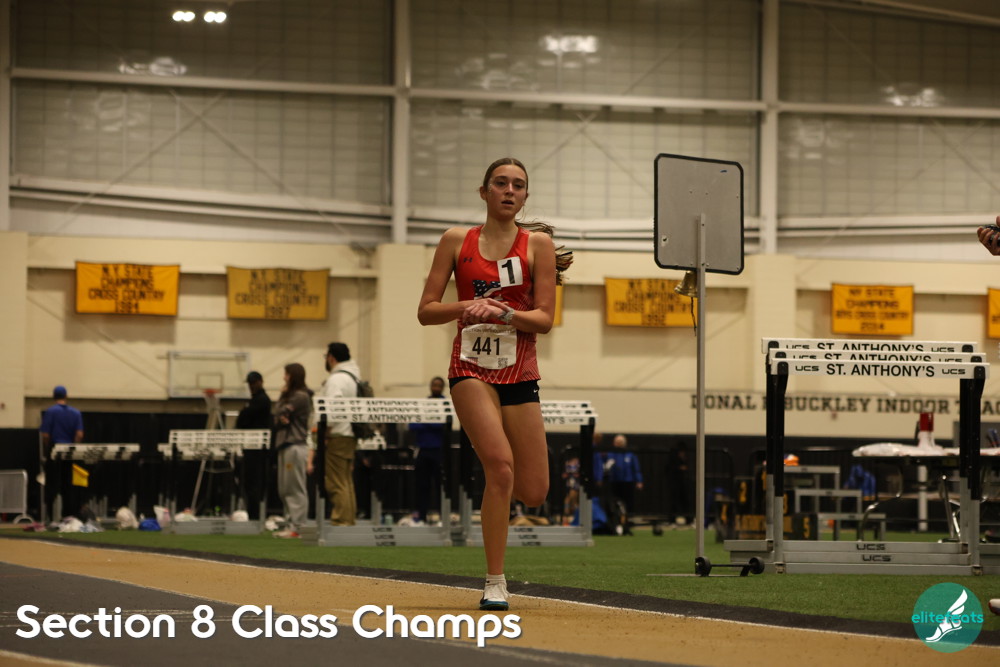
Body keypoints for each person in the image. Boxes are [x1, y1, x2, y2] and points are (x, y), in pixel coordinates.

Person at [417, 157, 572, 611]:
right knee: (500, 467)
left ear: (525, 196)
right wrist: (468, 306)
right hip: (470, 367)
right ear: (483, 192)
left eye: (518, 185)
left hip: (519, 371)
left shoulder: (538, 245)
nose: (509, 190)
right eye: (500, 183)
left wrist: (505, 313)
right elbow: (427, 310)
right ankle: (495, 581)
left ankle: (498, 540)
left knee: (534, 491)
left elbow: (544, 319)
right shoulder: (455, 241)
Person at [316, 342, 362, 526]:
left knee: (336, 482)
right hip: (349, 433)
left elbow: (333, 407)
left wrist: (326, 432)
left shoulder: (336, 379)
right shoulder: (353, 377)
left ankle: (341, 521)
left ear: (331, 357)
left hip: (337, 434)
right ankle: (348, 520)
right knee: (346, 481)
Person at [272, 363, 313, 538]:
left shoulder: (300, 396)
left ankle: (298, 526)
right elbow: (278, 415)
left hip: (295, 445)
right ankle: (291, 524)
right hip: (286, 445)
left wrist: (282, 396)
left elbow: (279, 411)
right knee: (285, 489)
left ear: (293, 376)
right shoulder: (292, 396)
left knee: (295, 488)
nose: (284, 378)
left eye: (286, 374)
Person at [40, 385, 84, 520]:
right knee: (68, 484)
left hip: (55, 449)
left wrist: (47, 448)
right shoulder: (76, 413)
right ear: (66, 396)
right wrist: (74, 447)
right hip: (69, 451)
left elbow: (45, 435)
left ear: (54, 397)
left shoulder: (50, 412)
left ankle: (50, 516)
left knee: (52, 483)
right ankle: (68, 515)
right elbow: (79, 434)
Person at [408, 376, 447, 524]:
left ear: (442, 388)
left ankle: (442, 517)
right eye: (434, 385)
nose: (436, 388)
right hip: (423, 451)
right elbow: (412, 425)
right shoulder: (424, 403)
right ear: (430, 386)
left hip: (439, 451)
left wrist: (425, 421)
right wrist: (431, 421)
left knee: (440, 486)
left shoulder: (445, 404)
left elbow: (441, 425)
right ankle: (421, 517)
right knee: (422, 485)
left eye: (439, 385)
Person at [594, 434, 644, 521]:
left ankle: (628, 517)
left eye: (620, 442)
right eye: (616, 442)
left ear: (624, 443)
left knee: (628, 500)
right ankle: (616, 517)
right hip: (614, 481)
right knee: (615, 500)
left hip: (627, 481)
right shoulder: (610, 454)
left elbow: (636, 468)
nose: (618, 444)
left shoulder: (630, 454)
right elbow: (601, 465)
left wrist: (639, 481)